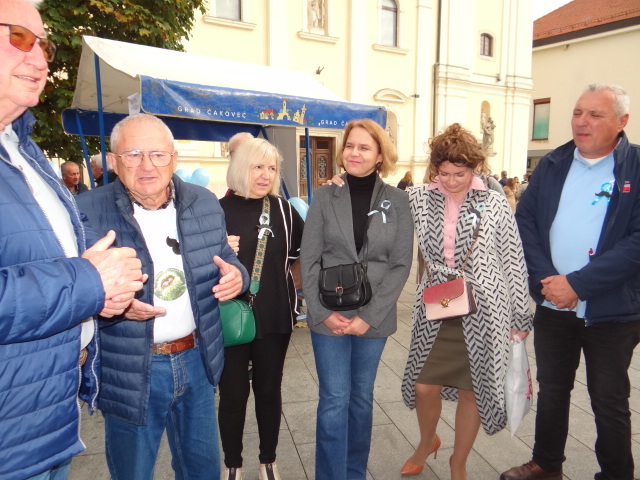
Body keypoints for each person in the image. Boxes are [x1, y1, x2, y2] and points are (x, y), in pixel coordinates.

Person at [0, 1, 145, 478]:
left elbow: (49, 257)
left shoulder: (23, 148)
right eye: (19, 37)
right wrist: (89, 282)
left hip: (43, 418)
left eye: (44, 45)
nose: (40, 59)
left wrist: (106, 292)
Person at [76, 113, 249, 480]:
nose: (147, 165)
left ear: (173, 158)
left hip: (197, 359)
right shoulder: (86, 211)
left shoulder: (204, 202)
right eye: (133, 155)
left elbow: (226, 256)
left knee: (202, 470)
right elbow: (74, 286)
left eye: (157, 154)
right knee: (134, 472)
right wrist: (113, 306)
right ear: (114, 161)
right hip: (131, 369)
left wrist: (237, 277)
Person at [501, 83, 640, 480]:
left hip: (612, 310)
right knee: (553, 389)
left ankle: (616, 474)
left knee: (609, 399)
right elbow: (526, 222)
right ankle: (547, 464)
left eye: (595, 114)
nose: (582, 121)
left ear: (622, 121)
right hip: (552, 303)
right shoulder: (553, 163)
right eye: (578, 112)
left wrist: (578, 284)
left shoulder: (636, 167)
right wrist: (549, 280)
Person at [401, 123, 532, 480]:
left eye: (459, 174)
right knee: (424, 385)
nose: (451, 181)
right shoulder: (418, 198)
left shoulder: (493, 202)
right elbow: (379, 205)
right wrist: (342, 183)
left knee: (472, 390)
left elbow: (513, 259)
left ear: (475, 168)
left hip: (485, 308)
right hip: (438, 304)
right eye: (443, 173)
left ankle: (458, 462)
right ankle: (427, 441)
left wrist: (521, 315)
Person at [300, 118, 414, 480]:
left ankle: (353, 473)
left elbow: (401, 264)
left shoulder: (398, 201)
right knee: (334, 399)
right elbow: (309, 258)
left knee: (361, 398)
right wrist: (320, 312)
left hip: (373, 314)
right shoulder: (325, 195)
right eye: (349, 146)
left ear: (380, 155)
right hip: (328, 311)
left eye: (364, 147)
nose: (354, 153)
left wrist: (370, 317)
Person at [217, 138, 304, 480]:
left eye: (272, 168)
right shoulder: (216, 212)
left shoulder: (283, 210)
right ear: (241, 167)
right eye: (258, 166)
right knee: (233, 395)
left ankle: (268, 460)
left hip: (274, 317)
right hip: (229, 317)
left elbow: (301, 257)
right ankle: (232, 464)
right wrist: (216, 253)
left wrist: (287, 291)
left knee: (268, 391)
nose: (266, 174)